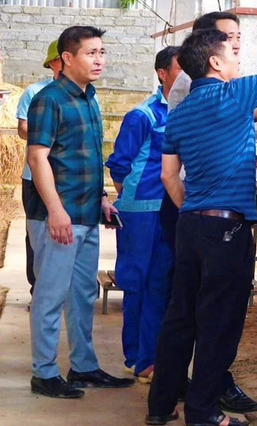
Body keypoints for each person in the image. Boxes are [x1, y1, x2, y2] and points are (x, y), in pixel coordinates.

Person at [153, 11, 257, 417]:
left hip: (191, 223)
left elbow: (168, 175)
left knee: (181, 318)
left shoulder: (179, 113)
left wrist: (194, 212)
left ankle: (160, 407)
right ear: (214, 62)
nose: (236, 57)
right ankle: (204, 413)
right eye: (231, 51)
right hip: (226, 229)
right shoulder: (233, 95)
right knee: (219, 324)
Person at [25, 26, 133, 398]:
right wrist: (56, 211)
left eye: (102, 52)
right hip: (58, 216)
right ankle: (44, 372)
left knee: (83, 294)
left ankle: (83, 367)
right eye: (91, 53)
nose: (99, 59)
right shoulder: (49, 99)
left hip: (87, 213)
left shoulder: (90, 98)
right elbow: (38, 157)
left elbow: (86, 156)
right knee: (50, 295)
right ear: (67, 58)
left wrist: (102, 197)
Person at [107, 46, 181, 383]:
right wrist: (131, 200)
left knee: (160, 283)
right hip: (141, 212)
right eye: (180, 70)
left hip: (172, 209)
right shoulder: (143, 116)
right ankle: (136, 357)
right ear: (162, 74)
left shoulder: (186, 112)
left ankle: (149, 356)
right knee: (137, 281)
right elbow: (120, 166)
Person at [16, 40, 63, 301]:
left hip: (65, 178)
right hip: (34, 177)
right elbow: (22, 128)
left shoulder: (82, 94)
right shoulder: (34, 92)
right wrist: (47, 134)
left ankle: (59, 290)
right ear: (54, 62)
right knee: (36, 233)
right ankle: (38, 290)